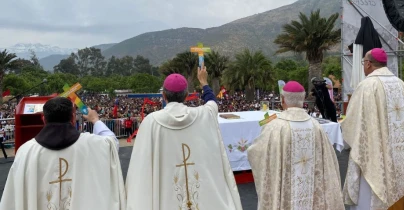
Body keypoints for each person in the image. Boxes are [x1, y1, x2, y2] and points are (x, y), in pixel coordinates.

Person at [126, 63, 242, 210]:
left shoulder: (151, 122)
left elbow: (140, 166)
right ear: (187, 96)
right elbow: (212, 103)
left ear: (163, 95)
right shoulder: (203, 114)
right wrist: (204, 83)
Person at [342, 48, 404, 210]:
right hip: (403, 151)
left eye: (364, 62)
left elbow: (353, 121)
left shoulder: (367, 85)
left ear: (369, 64)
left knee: (372, 185)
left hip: (376, 151)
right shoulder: (400, 84)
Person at [0, 97, 126, 210]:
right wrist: (95, 119)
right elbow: (112, 142)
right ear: (72, 118)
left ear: (43, 118)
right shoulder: (95, 144)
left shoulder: (26, 151)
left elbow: (13, 197)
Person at [247, 81, 344, 210]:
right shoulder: (316, 126)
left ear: (282, 100)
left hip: (285, 194)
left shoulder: (275, 127)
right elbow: (329, 163)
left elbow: (255, 152)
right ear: (303, 99)